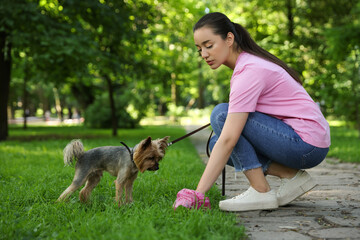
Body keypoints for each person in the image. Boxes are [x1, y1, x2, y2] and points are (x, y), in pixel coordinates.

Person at [173, 12, 330, 211]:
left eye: (209, 45)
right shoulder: (248, 64)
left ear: (229, 39)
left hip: (306, 144)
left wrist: (198, 193)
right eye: (199, 49)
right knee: (215, 145)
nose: (204, 54)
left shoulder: (249, 70)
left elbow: (230, 138)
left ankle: (260, 191)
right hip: (305, 142)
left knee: (221, 115)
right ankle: (291, 177)